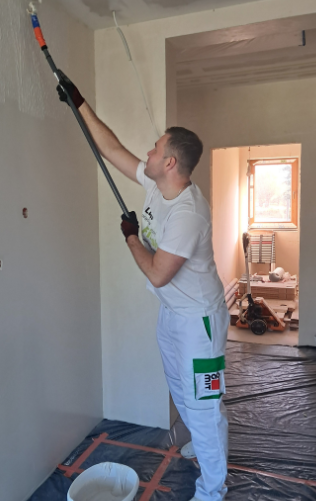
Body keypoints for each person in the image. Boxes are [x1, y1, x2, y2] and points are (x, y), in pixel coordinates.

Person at [57, 73, 230, 501]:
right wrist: (79, 102)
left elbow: (157, 272)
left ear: (170, 162)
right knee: (180, 390)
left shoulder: (188, 213)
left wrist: (132, 236)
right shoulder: (156, 183)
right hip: (172, 313)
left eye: (155, 148)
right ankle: (200, 444)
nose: (148, 153)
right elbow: (112, 149)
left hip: (200, 323)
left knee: (204, 405)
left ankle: (213, 490)